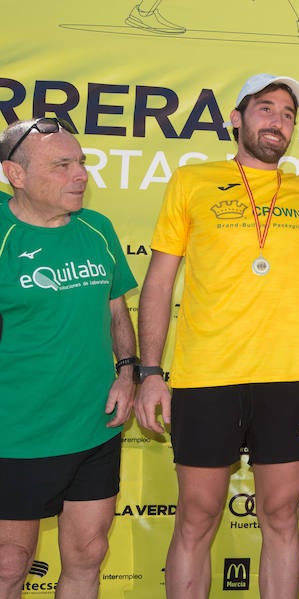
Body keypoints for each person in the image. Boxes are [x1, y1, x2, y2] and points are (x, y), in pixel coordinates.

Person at [134, 73, 299, 599]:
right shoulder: (192, 182)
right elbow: (158, 282)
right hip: (206, 376)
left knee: (282, 515)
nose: (278, 121)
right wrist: (150, 372)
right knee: (196, 516)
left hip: (284, 377)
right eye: (266, 109)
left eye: (288, 114)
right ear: (236, 118)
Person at [0, 117, 138, 598]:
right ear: (14, 175)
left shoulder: (97, 228)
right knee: (9, 566)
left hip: (92, 426)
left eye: (80, 162)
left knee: (88, 553)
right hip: (15, 434)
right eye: (62, 165)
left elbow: (117, 309)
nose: (80, 175)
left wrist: (127, 373)